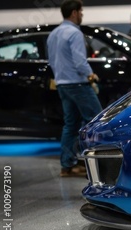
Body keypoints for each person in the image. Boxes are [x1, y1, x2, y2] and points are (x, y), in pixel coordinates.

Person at [47, 0, 103, 177]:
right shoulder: (74, 33)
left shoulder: (53, 34)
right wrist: (91, 75)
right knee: (96, 122)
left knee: (70, 125)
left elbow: (52, 61)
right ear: (74, 13)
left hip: (62, 85)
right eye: (81, 11)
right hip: (78, 83)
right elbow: (80, 62)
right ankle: (99, 168)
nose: (82, 14)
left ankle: (67, 166)